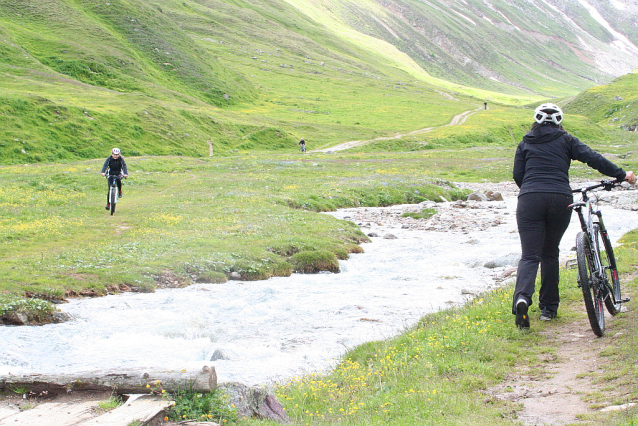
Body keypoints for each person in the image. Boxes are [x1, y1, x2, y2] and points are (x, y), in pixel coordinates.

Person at [512, 103, 636, 329]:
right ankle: (548, 308)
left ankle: (522, 299)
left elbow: (518, 175)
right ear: (559, 120)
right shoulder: (566, 140)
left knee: (530, 256)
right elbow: (593, 158)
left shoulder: (525, 142)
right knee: (550, 252)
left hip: (529, 199)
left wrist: (533, 189)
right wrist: (621, 175)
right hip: (561, 198)